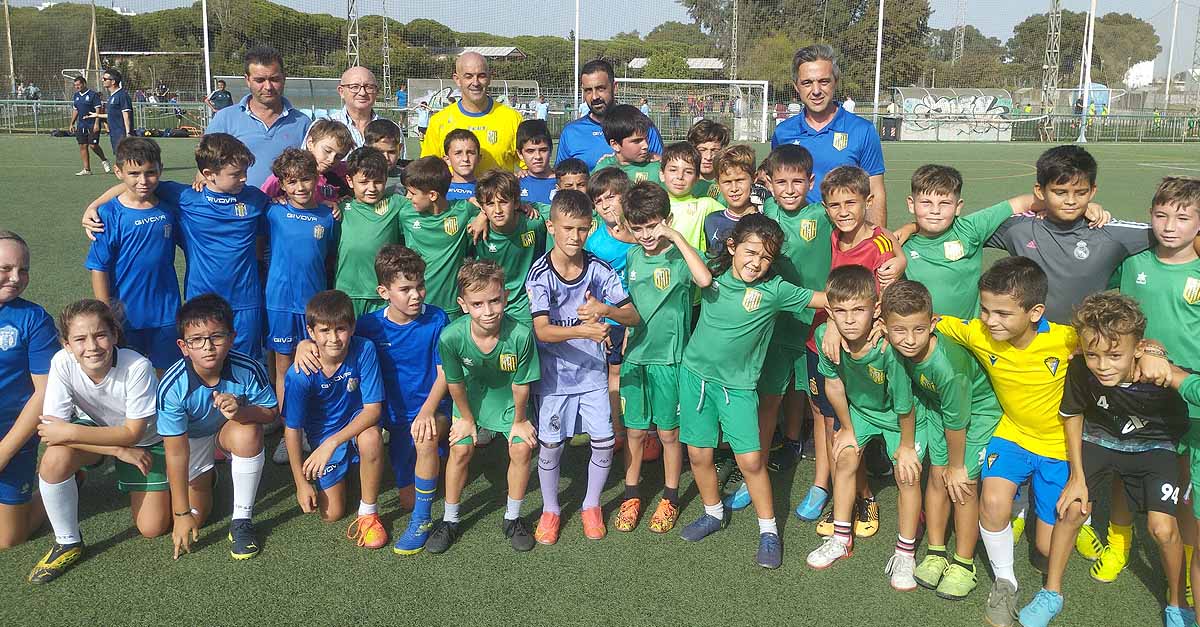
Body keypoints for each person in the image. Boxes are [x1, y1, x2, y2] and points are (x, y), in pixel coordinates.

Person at [931, 258, 1107, 627]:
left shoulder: (1065, 339)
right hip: (1011, 435)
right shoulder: (978, 332)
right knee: (992, 501)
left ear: (1035, 311)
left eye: (1002, 313)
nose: (990, 321)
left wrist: (1152, 351)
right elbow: (928, 322)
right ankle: (1005, 582)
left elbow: (1114, 342)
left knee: (1045, 550)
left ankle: (1048, 512)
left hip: (1058, 448)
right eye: (985, 309)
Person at [1017, 293, 1191, 627]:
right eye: (1093, 354)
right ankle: (1051, 594)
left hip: (1154, 447)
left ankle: (1177, 604)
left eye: (1114, 355)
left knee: (1163, 529)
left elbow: (1184, 427)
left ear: (1138, 348)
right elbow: (1072, 415)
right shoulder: (1081, 368)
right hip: (1101, 439)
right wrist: (1077, 477)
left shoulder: (1160, 375)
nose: (1102, 365)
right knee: (1071, 508)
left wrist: (1160, 356)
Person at [677, 214, 825, 570]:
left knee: (751, 461)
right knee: (699, 455)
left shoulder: (774, 291)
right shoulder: (711, 280)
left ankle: (769, 530)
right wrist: (667, 232)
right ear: (732, 246)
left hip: (739, 388)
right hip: (694, 378)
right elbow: (687, 262)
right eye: (750, 251)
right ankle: (713, 512)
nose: (756, 262)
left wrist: (867, 305)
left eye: (765, 257)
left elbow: (824, 299)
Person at [83, 134, 272, 360]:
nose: (243, 179)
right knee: (203, 365)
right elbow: (134, 186)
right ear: (209, 175)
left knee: (246, 365)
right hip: (201, 301)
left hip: (246, 301)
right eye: (236, 174)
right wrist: (94, 205)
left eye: (244, 173)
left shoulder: (255, 199)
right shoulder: (185, 197)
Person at [526, 189, 640, 545]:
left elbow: (632, 315)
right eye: (567, 229)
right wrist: (585, 329)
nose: (575, 237)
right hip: (554, 379)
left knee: (604, 442)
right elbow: (542, 330)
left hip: (592, 374)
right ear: (551, 227)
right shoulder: (540, 274)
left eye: (582, 229)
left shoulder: (599, 269)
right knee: (551, 446)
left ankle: (591, 505)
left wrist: (605, 311)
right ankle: (551, 509)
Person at [27, 300, 168, 584]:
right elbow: (52, 432)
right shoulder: (61, 363)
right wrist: (116, 450)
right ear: (66, 344)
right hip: (105, 438)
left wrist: (72, 433)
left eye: (100, 335)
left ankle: (198, 476)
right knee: (54, 459)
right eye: (80, 339)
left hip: (148, 443)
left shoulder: (137, 366)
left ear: (115, 335)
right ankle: (67, 542)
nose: (91, 346)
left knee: (152, 528)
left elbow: (132, 434)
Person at [883, 280, 1001, 600]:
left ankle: (964, 563)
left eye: (919, 330)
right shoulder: (894, 351)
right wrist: (908, 447)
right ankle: (936, 552)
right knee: (936, 476)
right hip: (939, 409)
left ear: (933, 323)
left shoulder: (948, 367)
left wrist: (958, 466)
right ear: (885, 327)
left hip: (975, 416)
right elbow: (904, 402)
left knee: (960, 485)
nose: (909, 340)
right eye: (900, 331)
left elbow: (958, 422)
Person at [805, 266, 921, 592]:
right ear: (830, 312)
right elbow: (835, 387)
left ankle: (906, 552)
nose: (850, 319)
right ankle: (841, 538)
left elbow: (904, 403)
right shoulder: (824, 338)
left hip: (901, 417)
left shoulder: (887, 348)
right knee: (843, 456)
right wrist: (847, 428)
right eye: (840, 312)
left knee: (906, 473)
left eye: (859, 310)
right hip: (861, 413)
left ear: (876, 309)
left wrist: (907, 446)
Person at [1112, 177, 1200, 595]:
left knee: (1184, 480)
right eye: (1162, 215)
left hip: (1188, 392)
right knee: (1121, 466)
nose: (1170, 225)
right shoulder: (1134, 263)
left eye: (1183, 218)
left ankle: (1183, 559)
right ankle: (1119, 541)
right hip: (1135, 389)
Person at [806, 166, 906, 534]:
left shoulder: (879, 243)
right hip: (821, 344)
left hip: (859, 352)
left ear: (869, 200)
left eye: (851, 202)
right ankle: (839, 493)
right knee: (832, 424)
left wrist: (837, 321)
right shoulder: (828, 237)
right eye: (834, 204)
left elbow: (884, 294)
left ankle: (863, 498)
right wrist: (829, 323)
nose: (843, 211)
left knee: (851, 427)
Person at [616, 182, 711, 534]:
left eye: (652, 226)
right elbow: (635, 306)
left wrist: (675, 237)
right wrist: (626, 337)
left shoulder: (680, 257)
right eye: (637, 228)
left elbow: (704, 279)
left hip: (669, 361)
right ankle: (631, 494)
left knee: (669, 434)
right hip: (636, 359)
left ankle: (670, 496)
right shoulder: (632, 257)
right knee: (635, 432)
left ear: (666, 220)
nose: (645, 235)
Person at [428, 261, 540, 553]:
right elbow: (454, 383)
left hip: (507, 399)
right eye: (477, 304)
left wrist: (519, 420)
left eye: (494, 300)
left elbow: (520, 384)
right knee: (461, 449)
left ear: (505, 297)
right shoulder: (451, 337)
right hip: (471, 398)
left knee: (521, 447)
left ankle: (512, 518)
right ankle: (450, 520)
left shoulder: (521, 335)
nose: (487, 311)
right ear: (463, 305)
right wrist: (466, 419)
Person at [158, 294, 278, 561]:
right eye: (197, 340)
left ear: (232, 337)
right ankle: (207, 478)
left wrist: (241, 411)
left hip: (227, 430)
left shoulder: (247, 367)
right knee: (169, 523)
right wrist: (181, 514)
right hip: (191, 442)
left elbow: (270, 413)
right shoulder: (172, 385)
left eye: (216, 337)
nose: (208, 347)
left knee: (249, 431)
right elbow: (176, 452)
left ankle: (242, 521)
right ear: (183, 346)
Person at [897, 164, 1103, 320]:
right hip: (919, 338)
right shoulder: (899, 243)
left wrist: (1078, 205)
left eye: (944, 203)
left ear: (958, 206)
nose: (935, 210)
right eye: (926, 203)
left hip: (968, 337)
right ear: (910, 204)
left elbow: (1022, 202)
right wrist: (910, 227)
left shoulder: (970, 228)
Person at [985, 146, 1153, 325]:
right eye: (1060, 193)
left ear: (1092, 191)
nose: (1071, 201)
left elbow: (1171, 231)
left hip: (1086, 346)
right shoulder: (1019, 229)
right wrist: (1029, 203)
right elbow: (969, 229)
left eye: (1081, 193)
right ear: (1040, 191)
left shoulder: (1109, 231)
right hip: (1031, 345)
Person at [282, 290, 388, 549]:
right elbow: (292, 430)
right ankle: (345, 470)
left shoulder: (364, 349)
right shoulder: (299, 374)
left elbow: (373, 410)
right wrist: (301, 483)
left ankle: (369, 514)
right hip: (323, 434)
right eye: (324, 331)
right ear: (311, 332)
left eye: (340, 329)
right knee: (332, 514)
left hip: (354, 426)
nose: (333, 338)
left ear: (352, 327)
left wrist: (331, 443)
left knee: (372, 437)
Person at [84, 137, 181, 374]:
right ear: (118, 172)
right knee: (126, 374)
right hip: (125, 314)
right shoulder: (108, 215)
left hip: (166, 311)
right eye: (134, 173)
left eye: (150, 173)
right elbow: (99, 267)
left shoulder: (169, 207)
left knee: (166, 374)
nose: (143, 180)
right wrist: (105, 311)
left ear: (160, 169)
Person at [263, 148, 337, 448]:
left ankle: (313, 426)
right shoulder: (273, 212)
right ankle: (289, 431)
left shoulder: (328, 216)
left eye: (306, 180)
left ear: (316, 179)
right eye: (291, 182)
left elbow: (329, 258)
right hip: (280, 303)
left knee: (315, 364)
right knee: (284, 367)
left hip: (314, 307)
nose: (300, 188)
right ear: (281, 184)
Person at [771, 45, 887, 225]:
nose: (816, 91)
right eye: (807, 83)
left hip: (847, 240)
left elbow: (875, 192)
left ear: (836, 81)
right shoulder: (783, 133)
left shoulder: (862, 130)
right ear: (796, 86)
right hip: (798, 243)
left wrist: (877, 244)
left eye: (823, 81)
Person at [0, 231, 57, 550]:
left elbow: (43, 392)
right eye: (5, 269)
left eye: (23, 270)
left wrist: (5, 451)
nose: (15, 278)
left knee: (8, 539)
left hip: (12, 436)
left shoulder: (33, 319)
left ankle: (64, 484)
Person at [206, 46, 312, 188]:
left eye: (274, 79)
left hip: (284, 208)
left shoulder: (303, 123)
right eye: (260, 80)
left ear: (284, 78)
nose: (268, 86)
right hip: (237, 207)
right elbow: (205, 168)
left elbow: (312, 172)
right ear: (247, 80)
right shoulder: (225, 119)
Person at [396, 156, 476, 317]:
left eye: (412, 193)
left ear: (432, 195)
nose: (408, 197)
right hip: (415, 306)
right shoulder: (405, 214)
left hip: (451, 307)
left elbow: (491, 207)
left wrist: (482, 217)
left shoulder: (464, 211)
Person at [420, 52, 522, 175]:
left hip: (498, 194)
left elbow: (529, 165)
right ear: (457, 79)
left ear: (490, 78)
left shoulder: (512, 118)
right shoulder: (439, 121)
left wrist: (523, 173)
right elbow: (427, 171)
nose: (476, 82)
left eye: (481, 76)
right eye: (468, 76)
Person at [556, 60, 665, 170]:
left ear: (615, 87)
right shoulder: (571, 132)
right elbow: (561, 179)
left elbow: (662, 171)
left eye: (600, 88)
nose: (594, 97)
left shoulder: (642, 126)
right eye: (588, 90)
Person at [334, 147, 403, 318]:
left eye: (378, 181)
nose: (371, 188)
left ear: (386, 179)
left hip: (382, 295)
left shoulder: (397, 204)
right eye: (364, 182)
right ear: (350, 181)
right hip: (347, 293)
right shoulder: (340, 208)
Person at [472, 170, 546, 324]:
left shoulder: (534, 223)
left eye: (504, 202)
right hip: (488, 303)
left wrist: (530, 205)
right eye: (490, 204)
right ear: (482, 207)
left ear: (516, 203)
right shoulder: (475, 230)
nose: (498, 210)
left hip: (523, 305)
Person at [259, 119, 354, 209]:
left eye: (339, 156)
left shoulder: (345, 172)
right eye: (327, 151)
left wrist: (348, 202)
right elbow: (262, 201)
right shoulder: (287, 172)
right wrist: (273, 201)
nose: (331, 160)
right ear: (310, 143)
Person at [660, 142, 722, 254]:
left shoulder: (706, 205)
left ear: (697, 178)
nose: (680, 177)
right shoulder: (653, 205)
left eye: (688, 172)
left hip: (692, 269)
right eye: (673, 170)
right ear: (661, 174)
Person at [318, 66, 392, 153]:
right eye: (354, 87)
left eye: (369, 87)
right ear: (341, 92)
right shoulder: (322, 127)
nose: (362, 93)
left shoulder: (391, 129)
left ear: (376, 92)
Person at [702, 145, 756, 250]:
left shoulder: (765, 220)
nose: (734, 188)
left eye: (740, 180)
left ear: (753, 178)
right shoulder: (711, 220)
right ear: (718, 183)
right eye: (727, 182)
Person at [594, 104, 662, 186]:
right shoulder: (603, 168)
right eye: (637, 141)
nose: (646, 145)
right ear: (615, 145)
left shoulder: (657, 168)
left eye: (646, 138)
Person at [70, 76, 110, 176]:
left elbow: (98, 109)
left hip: (92, 123)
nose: (77, 87)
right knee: (83, 145)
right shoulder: (76, 96)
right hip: (81, 124)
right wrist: (72, 123)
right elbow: (76, 110)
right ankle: (87, 169)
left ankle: (104, 160)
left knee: (93, 145)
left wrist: (97, 123)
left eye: (78, 85)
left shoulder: (93, 95)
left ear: (84, 84)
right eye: (75, 85)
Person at [687, 119, 730, 201]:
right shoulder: (681, 182)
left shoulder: (730, 183)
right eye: (702, 150)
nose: (708, 157)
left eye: (714, 150)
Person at [517, 119, 556, 205]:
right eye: (530, 151)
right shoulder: (514, 184)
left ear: (551, 150)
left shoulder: (564, 182)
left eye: (543, 150)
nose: (538, 156)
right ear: (520, 154)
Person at [100, 69, 133, 155]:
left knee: (125, 157)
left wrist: (128, 133)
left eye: (105, 79)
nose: (102, 80)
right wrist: (96, 115)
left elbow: (126, 115)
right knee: (119, 157)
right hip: (114, 132)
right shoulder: (112, 96)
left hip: (122, 133)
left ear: (113, 81)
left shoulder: (122, 95)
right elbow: (112, 115)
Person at [442, 129, 479, 201]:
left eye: (470, 153)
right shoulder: (439, 189)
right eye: (458, 153)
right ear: (447, 160)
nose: (465, 159)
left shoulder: (487, 189)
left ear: (479, 158)